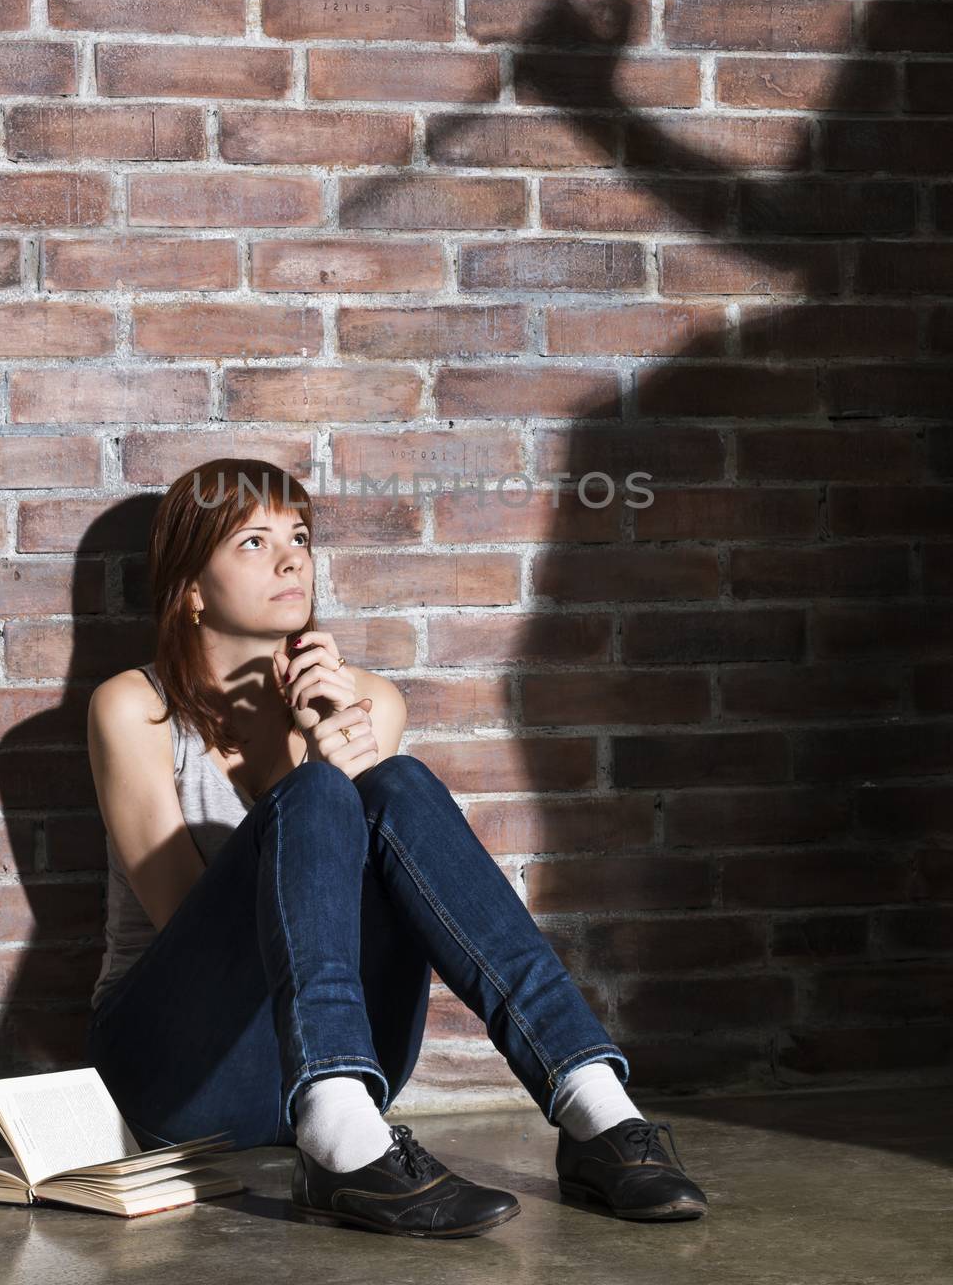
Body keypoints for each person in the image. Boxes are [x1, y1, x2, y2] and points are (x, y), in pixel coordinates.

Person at [84, 457, 708, 1238]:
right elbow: (185, 922)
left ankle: (596, 1109)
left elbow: (387, 902)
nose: (290, 560)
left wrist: (334, 752)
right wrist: (313, 783)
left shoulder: (367, 700)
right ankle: (341, 1142)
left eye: (300, 537)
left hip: (338, 1071)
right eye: (251, 542)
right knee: (322, 793)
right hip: (177, 1072)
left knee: (397, 784)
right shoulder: (135, 709)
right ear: (190, 588)